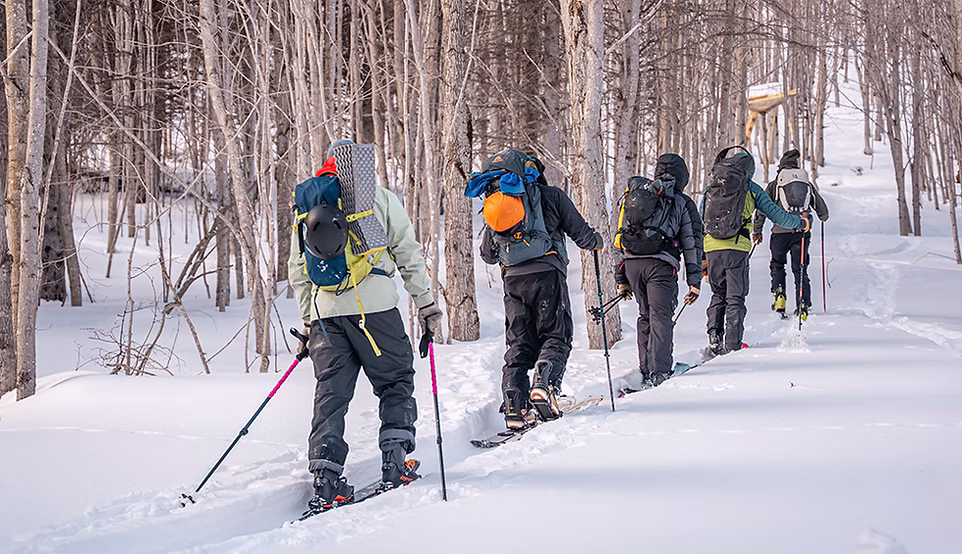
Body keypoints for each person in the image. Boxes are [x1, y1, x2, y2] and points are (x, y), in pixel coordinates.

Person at [288, 139, 443, 513]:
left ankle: (326, 479)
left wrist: (309, 321)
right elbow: (407, 251)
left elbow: (298, 269)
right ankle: (394, 460)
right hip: (375, 311)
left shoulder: (307, 204)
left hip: (326, 316)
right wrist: (426, 305)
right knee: (395, 380)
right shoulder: (379, 198)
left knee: (331, 394)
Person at [468, 149, 603, 429]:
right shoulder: (551, 196)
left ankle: (515, 406)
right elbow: (580, 233)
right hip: (547, 274)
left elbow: (488, 255)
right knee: (556, 334)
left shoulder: (497, 201)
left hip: (512, 280)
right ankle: (544, 384)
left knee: (519, 342)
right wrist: (596, 241)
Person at [700, 146, 809, 356]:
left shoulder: (712, 186)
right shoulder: (751, 188)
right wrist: (799, 222)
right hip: (736, 249)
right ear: (748, 170)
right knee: (736, 297)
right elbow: (776, 215)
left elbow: (699, 217)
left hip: (711, 248)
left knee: (718, 294)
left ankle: (714, 336)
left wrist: (702, 255)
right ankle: (733, 345)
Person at [614, 154, 703, 388]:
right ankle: (661, 372)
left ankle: (645, 370)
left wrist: (621, 277)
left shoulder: (636, 195)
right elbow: (692, 243)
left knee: (645, 315)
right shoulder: (681, 202)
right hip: (660, 266)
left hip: (632, 264)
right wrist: (695, 281)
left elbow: (620, 237)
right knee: (661, 316)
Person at [752, 150, 829, 320]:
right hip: (802, 231)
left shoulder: (775, 184)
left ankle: (779, 296)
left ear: (781, 168)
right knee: (800, 268)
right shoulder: (806, 184)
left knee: (777, 264)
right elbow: (823, 211)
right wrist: (822, 217)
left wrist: (757, 230)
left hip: (779, 233)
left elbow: (762, 208)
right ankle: (803, 303)